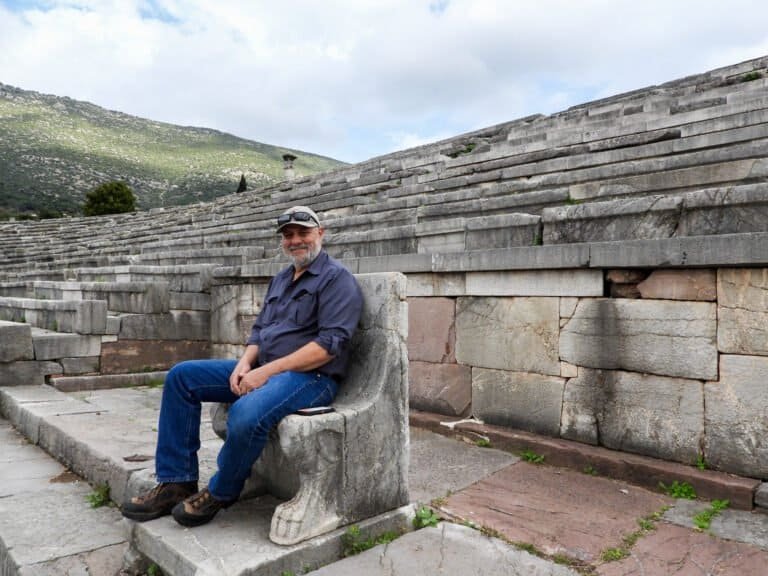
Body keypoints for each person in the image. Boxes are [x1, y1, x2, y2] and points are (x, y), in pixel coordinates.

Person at [121, 205, 363, 527]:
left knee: (246, 413)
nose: (295, 241)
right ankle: (177, 482)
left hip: (312, 378)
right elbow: (261, 330)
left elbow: (329, 347)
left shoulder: (337, 280)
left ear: (320, 233)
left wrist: (266, 371)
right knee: (182, 377)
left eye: (303, 233)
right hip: (266, 368)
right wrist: (245, 362)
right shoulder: (281, 279)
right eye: (288, 235)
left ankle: (223, 490)